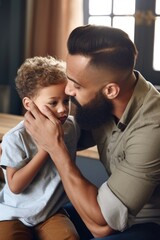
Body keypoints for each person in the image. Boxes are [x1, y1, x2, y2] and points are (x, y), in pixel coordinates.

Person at [24, 25, 160, 240]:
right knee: (28, 220)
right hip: (109, 209)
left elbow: (104, 225)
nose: (68, 90)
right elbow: (63, 134)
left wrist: (56, 149)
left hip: (149, 224)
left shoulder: (153, 128)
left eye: (76, 85)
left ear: (110, 90)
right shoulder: (102, 104)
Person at [0, 56, 80, 240]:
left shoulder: (71, 127)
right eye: (53, 103)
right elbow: (15, 185)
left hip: (51, 213)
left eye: (66, 100)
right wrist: (47, 148)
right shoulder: (16, 137)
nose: (62, 109)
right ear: (29, 104)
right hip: (13, 214)